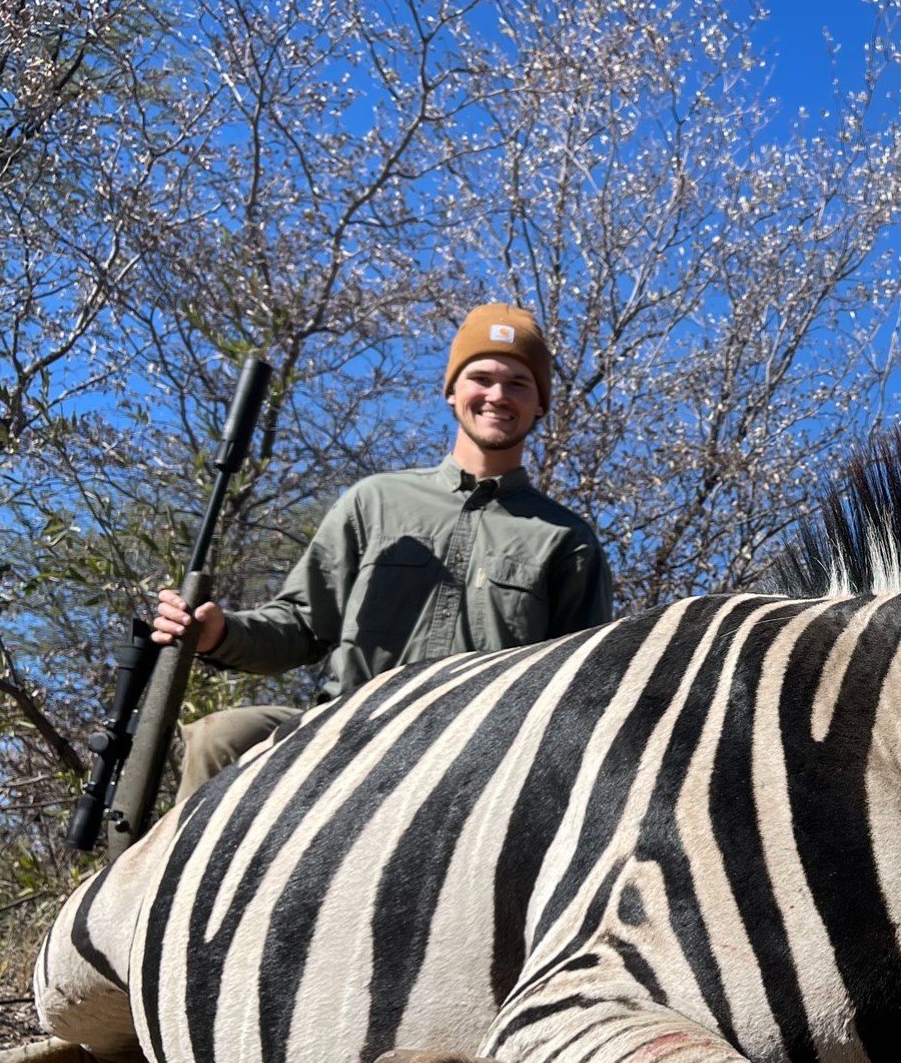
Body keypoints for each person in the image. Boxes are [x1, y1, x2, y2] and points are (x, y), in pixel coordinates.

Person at [151, 303, 613, 798]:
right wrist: (219, 633)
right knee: (219, 738)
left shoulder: (568, 539)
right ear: (452, 391)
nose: (497, 395)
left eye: (519, 383)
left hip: (475, 759)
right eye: (481, 377)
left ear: (540, 404)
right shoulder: (375, 501)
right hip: (345, 730)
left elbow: (579, 693)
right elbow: (303, 625)